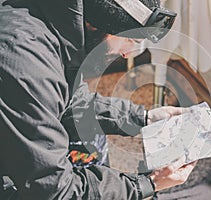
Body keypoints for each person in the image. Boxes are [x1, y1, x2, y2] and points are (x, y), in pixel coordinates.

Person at [0, 0, 197, 199]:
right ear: (98, 23)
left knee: (94, 141)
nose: (126, 53)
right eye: (130, 40)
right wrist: (148, 184)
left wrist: (144, 117)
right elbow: (55, 190)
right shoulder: (27, 65)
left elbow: (71, 102)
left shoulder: (52, 25)